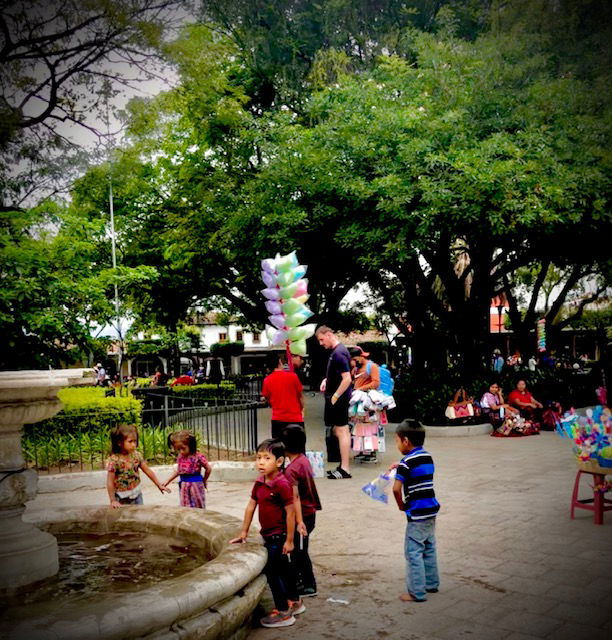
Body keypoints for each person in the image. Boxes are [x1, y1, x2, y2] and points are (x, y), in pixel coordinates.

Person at [230, 439, 304, 628]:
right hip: (268, 534)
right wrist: (244, 531)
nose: (260, 462)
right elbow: (251, 505)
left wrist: (289, 540)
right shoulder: (260, 482)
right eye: (258, 458)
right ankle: (294, 602)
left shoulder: (282, 484)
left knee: (273, 572)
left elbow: (291, 512)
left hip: (279, 536)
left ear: (279, 462)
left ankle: (283, 612)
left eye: (266, 458)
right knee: (282, 569)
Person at [391, 419, 440, 603]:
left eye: (396, 441)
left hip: (416, 512)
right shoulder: (427, 456)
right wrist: (401, 465)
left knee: (413, 552)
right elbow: (415, 468)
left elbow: (396, 488)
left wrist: (401, 505)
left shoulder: (406, 463)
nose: (396, 445)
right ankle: (432, 583)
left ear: (405, 441)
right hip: (431, 509)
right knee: (429, 547)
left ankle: (416, 592)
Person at [281, 424, 321, 598]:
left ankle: (308, 584)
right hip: (308, 512)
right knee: (299, 549)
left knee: (300, 551)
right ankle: (299, 579)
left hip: (303, 516)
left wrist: (298, 522)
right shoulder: (303, 460)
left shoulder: (292, 470)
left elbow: (294, 498)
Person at [316, 325, 353, 479]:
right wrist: (327, 380)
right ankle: (342, 466)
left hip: (339, 399)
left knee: (342, 430)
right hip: (336, 398)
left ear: (329, 335)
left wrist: (336, 396)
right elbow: (339, 375)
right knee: (339, 430)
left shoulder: (339, 353)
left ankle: (345, 468)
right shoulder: (336, 353)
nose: (321, 343)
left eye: (322, 339)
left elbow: (347, 378)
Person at [106, 424, 170, 508]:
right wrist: (113, 500)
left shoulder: (136, 455)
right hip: (122, 498)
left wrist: (159, 484)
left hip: (137, 495)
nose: (133, 444)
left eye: (135, 441)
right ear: (119, 443)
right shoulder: (114, 460)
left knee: (140, 517)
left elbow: (147, 470)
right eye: (130, 441)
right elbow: (110, 482)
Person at [163, 430, 212, 508]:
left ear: (191, 445)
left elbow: (208, 468)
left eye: (183, 448)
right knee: (185, 507)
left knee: (198, 506)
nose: (181, 452)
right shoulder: (180, 457)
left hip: (195, 485)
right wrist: (168, 481)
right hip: (184, 486)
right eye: (178, 450)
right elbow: (179, 471)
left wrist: (204, 480)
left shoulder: (198, 456)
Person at [349, 346, 382, 461]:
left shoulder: (372, 366)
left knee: (370, 427)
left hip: (368, 402)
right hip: (358, 402)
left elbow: (376, 383)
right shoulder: (356, 369)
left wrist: (360, 388)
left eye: (355, 359)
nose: (354, 362)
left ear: (361, 356)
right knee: (359, 426)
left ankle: (371, 452)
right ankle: (362, 450)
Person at [262, 352, 305, 439]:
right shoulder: (293, 377)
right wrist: (302, 410)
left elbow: (267, 399)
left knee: (279, 448)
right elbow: (300, 396)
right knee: (298, 449)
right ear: (280, 362)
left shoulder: (267, 381)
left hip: (277, 419)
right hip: (295, 418)